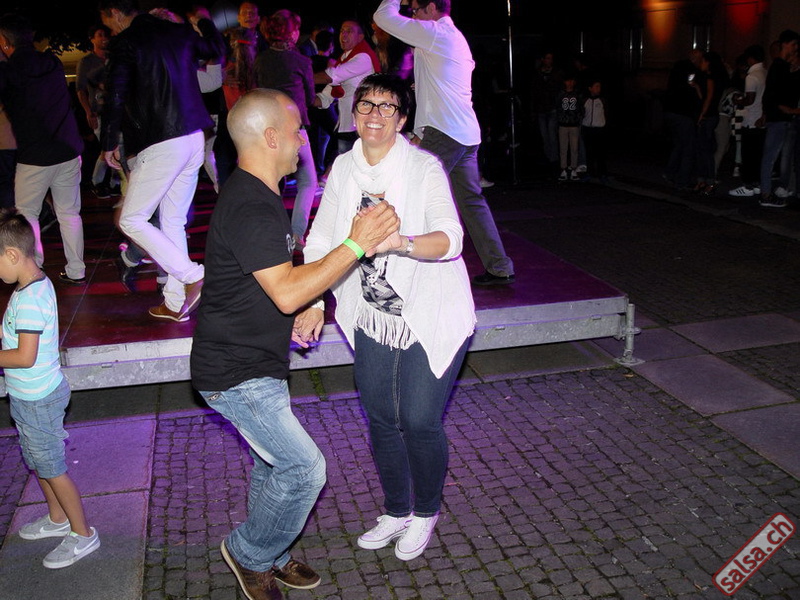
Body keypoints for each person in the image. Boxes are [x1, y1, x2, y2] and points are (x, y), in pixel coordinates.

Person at [190, 88, 399, 599]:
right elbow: (284, 291)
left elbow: (270, 282)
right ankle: (249, 553)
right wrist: (357, 243)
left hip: (256, 360)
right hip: (234, 373)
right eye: (297, 129)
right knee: (304, 469)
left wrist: (307, 304)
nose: (304, 139)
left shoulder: (256, 194)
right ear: (271, 137)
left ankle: (272, 552)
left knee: (273, 463)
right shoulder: (251, 205)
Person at [304, 73, 476, 561]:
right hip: (373, 313)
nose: (375, 114)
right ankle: (397, 509)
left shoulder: (423, 167)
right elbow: (320, 241)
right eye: (366, 105)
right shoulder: (343, 168)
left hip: (429, 308)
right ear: (354, 113)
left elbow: (451, 238)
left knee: (418, 419)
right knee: (381, 417)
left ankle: (426, 511)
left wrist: (401, 243)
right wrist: (313, 301)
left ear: (401, 120)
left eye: (387, 107)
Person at [374, 0, 515, 286]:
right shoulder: (454, 37)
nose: (413, 15)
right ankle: (500, 266)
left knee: (409, 193)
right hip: (465, 134)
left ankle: (401, 272)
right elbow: (439, 87)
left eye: (416, 9)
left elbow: (382, 16)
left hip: (446, 134)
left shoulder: (435, 33)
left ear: (431, 8)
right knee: (472, 203)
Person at [99, 0, 224, 322]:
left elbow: (115, 95)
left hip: (162, 139)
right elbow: (215, 49)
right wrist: (204, 21)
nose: (109, 29)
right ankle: (175, 302)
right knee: (172, 222)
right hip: (193, 136)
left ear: (116, 13)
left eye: (108, 22)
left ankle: (195, 275)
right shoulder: (178, 33)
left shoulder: (126, 41)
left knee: (132, 219)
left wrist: (109, 142)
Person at [0, 209, 100, 569]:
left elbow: (24, 356)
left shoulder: (29, 299)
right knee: (38, 461)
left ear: (12, 255)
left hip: (39, 398)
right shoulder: (31, 285)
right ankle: (58, 518)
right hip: (28, 396)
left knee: (52, 467)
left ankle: (83, 533)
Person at [0, 14, 86, 286]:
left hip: (35, 155)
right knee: (69, 213)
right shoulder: (52, 62)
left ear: (5, 42)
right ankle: (76, 270)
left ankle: (34, 269)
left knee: (27, 214)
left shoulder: (8, 71)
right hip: (67, 148)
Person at [254, 9, 317, 247]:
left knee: (270, 182)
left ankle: (267, 233)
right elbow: (309, 97)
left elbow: (255, 92)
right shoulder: (301, 61)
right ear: (292, 33)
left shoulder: (260, 60)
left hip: (267, 129)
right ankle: (297, 233)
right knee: (307, 182)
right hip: (294, 129)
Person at [314, 20, 380, 156]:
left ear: (360, 37)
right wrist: (301, 96)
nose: (343, 34)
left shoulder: (363, 58)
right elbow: (325, 97)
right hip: (346, 128)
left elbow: (332, 76)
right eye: (342, 31)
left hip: (359, 129)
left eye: (349, 31)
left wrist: (301, 80)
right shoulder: (344, 59)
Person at [759, 29, 800, 208]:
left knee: (771, 156)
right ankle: (765, 194)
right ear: (785, 45)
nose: (795, 48)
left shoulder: (781, 66)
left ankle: (766, 192)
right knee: (770, 156)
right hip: (779, 118)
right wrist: (786, 109)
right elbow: (775, 94)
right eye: (794, 45)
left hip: (779, 117)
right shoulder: (779, 66)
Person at [728, 45, 767, 198]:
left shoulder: (752, 76)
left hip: (750, 119)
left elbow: (750, 99)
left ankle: (748, 185)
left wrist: (738, 100)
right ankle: (756, 184)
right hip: (760, 119)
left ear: (750, 58)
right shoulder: (765, 72)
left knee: (748, 154)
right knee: (757, 155)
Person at [556, 74, 582, 181]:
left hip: (574, 124)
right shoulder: (560, 94)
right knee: (563, 148)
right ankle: (563, 169)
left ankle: (573, 168)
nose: (570, 83)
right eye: (568, 81)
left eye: (571, 81)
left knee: (574, 148)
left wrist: (578, 118)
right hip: (563, 124)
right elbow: (557, 106)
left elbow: (581, 108)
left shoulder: (577, 94)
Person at [581, 78, 609, 182]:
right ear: (590, 88)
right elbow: (582, 113)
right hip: (588, 129)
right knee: (589, 153)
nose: (598, 89)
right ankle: (589, 172)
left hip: (599, 129)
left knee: (600, 153)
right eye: (596, 86)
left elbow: (607, 113)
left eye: (599, 86)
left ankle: (602, 173)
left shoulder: (602, 101)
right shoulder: (585, 101)